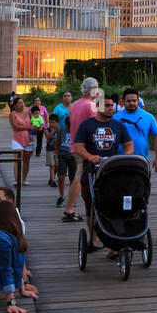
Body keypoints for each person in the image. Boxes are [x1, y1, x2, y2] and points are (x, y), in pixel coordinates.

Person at [71, 93, 133, 253]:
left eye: (112, 106)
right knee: (90, 205)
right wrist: (90, 157)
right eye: (107, 106)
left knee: (113, 205)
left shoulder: (118, 126)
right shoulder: (87, 125)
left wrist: (124, 158)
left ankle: (113, 240)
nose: (111, 109)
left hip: (111, 172)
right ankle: (94, 238)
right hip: (91, 171)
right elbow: (78, 146)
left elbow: (129, 145)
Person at [62, 78, 100, 222]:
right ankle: (70, 210)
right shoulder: (91, 106)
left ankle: (69, 209)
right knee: (79, 178)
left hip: (74, 145)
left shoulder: (75, 104)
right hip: (86, 148)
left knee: (78, 176)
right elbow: (95, 127)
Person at [114, 87, 157, 174]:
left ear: (138, 101)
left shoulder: (148, 117)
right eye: (128, 101)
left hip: (142, 161)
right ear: (123, 101)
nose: (132, 103)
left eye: (134, 100)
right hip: (120, 161)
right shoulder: (115, 118)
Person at [8, 96, 34, 185]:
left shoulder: (28, 113)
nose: (22, 104)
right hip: (17, 140)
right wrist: (28, 127)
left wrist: (31, 132)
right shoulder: (12, 114)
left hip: (28, 139)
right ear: (15, 105)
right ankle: (16, 180)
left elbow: (33, 124)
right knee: (18, 159)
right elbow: (16, 127)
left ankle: (24, 179)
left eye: (22, 102)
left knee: (27, 160)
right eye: (19, 103)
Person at [44, 115, 64, 206]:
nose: (52, 124)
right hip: (49, 150)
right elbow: (48, 138)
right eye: (50, 123)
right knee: (52, 165)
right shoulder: (47, 129)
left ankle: (51, 178)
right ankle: (52, 180)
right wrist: (52, 130)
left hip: (57, 150)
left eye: (54, 123)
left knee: (57, 166)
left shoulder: (60, 130)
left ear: (57, 123)